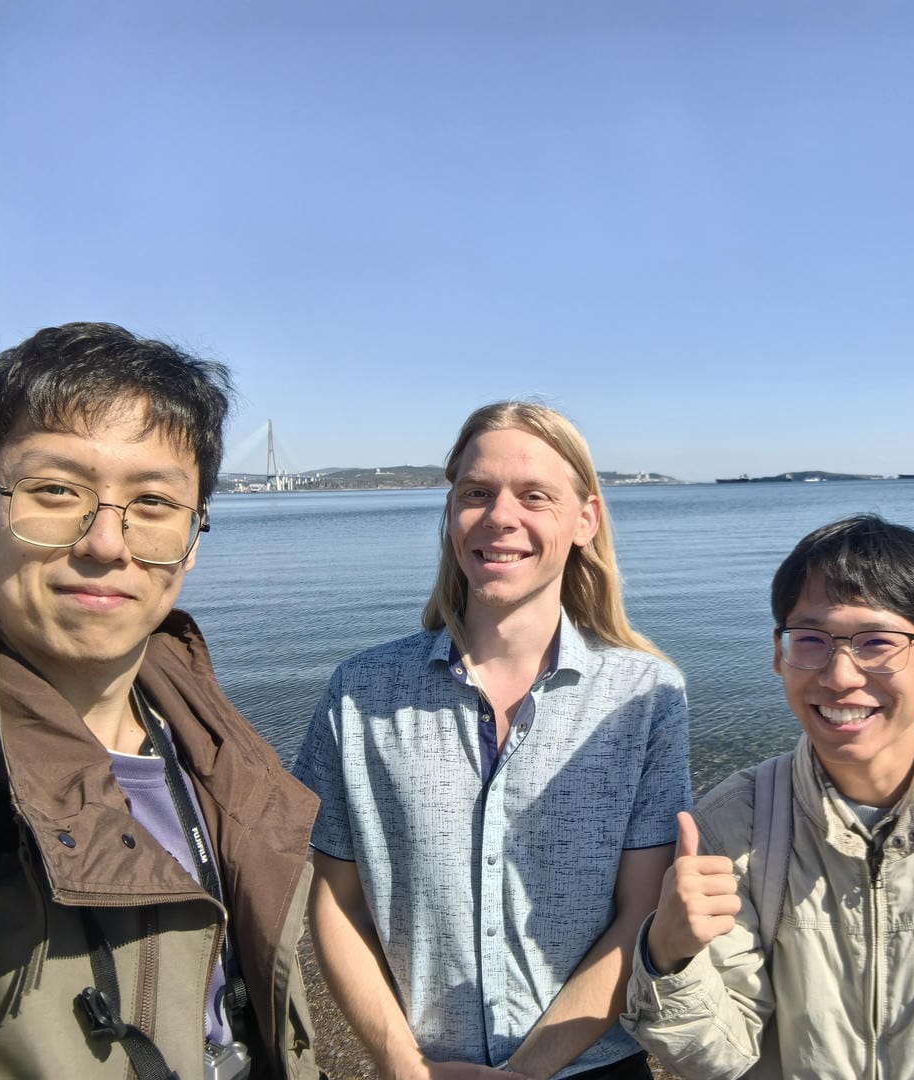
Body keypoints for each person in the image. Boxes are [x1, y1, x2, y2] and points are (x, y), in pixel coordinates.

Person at [295, 401, 691, 1079]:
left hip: (591, 1066)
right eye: (476, 493)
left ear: (585, 520)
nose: (501, 516)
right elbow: (335, 900)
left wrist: (524, 1073)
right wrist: (399, 1061)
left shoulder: (645, 697)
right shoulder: (362, 693)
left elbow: (640, 914)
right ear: (451, 516)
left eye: (535, 495)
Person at [623, 514, 914, 1079]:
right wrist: (670, 956)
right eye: (811, 640)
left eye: (877, 642)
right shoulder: (733, 825)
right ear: (779, 654)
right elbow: (720, 1059)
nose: (840, 675)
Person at [0, 322, 321, 1078]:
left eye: (155, 502)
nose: (106, 541)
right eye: (57, 490)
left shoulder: (211, 739)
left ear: (194, 538)